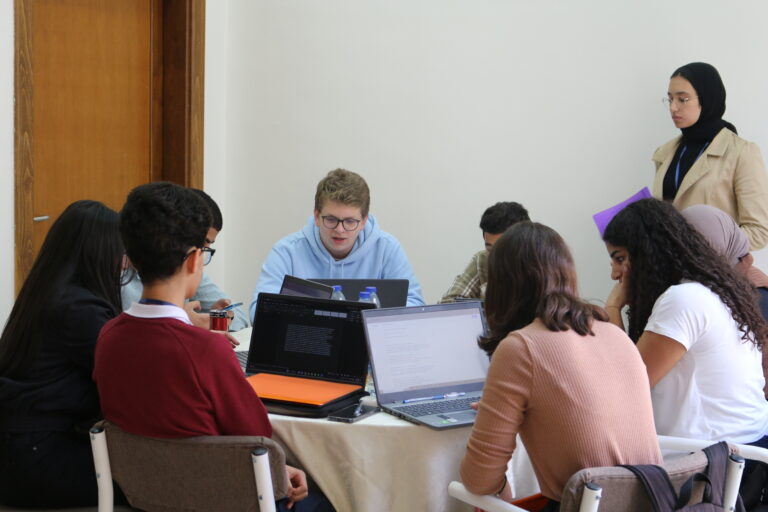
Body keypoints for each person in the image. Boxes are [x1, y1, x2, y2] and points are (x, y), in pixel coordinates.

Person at [94, 182, 331, 511]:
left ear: (132, 258)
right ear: (195, 260)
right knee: (330, 498)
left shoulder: (108, 337)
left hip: (146, 498)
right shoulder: (206, 350)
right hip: (225, 499)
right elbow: (258, 438)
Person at [460, 221, 661, 508]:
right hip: (651, 501)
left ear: (501, 285)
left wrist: (501, 482)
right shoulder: (616, 334)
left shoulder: (520, 348)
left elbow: (479, 480)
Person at [603, 198, 768, 446]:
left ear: (647, 253)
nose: (614, 274)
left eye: (619, 259)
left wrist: (613, 308)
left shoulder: (683, 300)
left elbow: (626, 390)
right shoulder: (715, 291)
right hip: (744, 449)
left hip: (715, 459)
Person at [0, 201, 125, 507]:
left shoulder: (47, 293)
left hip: (18, 450)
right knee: (157, 478)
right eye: (120, 252)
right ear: (101, 253)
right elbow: (126, 376)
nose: (124, 264)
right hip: (39, 457)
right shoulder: (79, 309)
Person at [250, 168, 424, 320]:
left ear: (364, 221)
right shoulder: (286, 251)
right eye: (331, 219)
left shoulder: (387, 248)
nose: (340, 230)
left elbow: (415, 305)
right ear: (317, 216)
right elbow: (257, 311)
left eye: (350, 221)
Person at [652, 61, 768, 250]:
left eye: (682, 99)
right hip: (667, 263)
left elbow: (759, 231)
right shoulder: (664, 153)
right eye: (670, 99)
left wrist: (701, 247)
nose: (673, 107)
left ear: (707, 99)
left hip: (714, 265)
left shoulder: (741, 152)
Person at [121, 188, 249, 331]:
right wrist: (184, 321)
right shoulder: (119, 270)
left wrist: (211, 320)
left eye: (208, 246)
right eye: (202, 242)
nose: (202, 253)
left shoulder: (190, 269)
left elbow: (239, 317)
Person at [439, 201, 529, 303]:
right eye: (490, 249)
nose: (495, 257)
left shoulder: (540, 265)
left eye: (503, 249)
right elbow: (449, 303)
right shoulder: (482, 260)